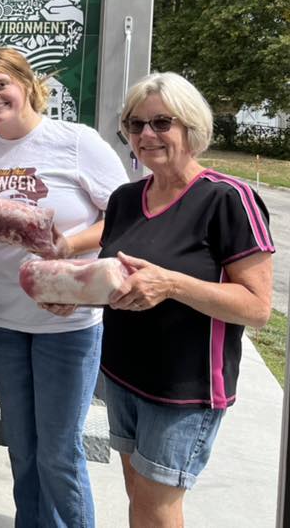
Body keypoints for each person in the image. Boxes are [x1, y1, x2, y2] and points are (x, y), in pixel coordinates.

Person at [0, 47, 128, 528]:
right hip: (7, 319)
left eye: (0, 85)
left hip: (68, 320)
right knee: (23, 449)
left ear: (27, 85)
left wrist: (68, 244)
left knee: (59, 453)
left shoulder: (75, 142)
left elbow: (122, 216)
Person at [100, 72, 274, 527]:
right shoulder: (124, 198)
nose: (146, 135)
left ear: (190, 128)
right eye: (135, 125)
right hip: (123, 375)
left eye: (161, 122)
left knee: (157, 511)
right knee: (137, 495)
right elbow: (115, 279)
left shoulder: (227, 199)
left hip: (183, 389)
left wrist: (173, 284)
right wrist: (72, 296)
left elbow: (257, 307)